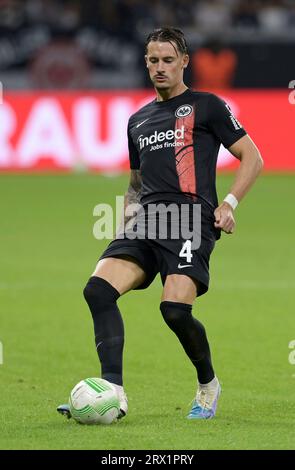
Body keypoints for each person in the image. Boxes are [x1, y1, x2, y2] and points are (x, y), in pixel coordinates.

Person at [58, 27, 263, 420]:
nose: (160, 67)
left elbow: (252, 157)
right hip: (147, 221)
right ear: (146, 63)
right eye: (153, 60)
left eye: (168, 60)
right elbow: (136, 183)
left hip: (190, 219)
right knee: (97, 290)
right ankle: (112, 393)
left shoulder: (207, 106)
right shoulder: (138, 120)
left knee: (173, 310)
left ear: (185, 61)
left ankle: (208, 385)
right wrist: (126, 220)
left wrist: (230, 204)